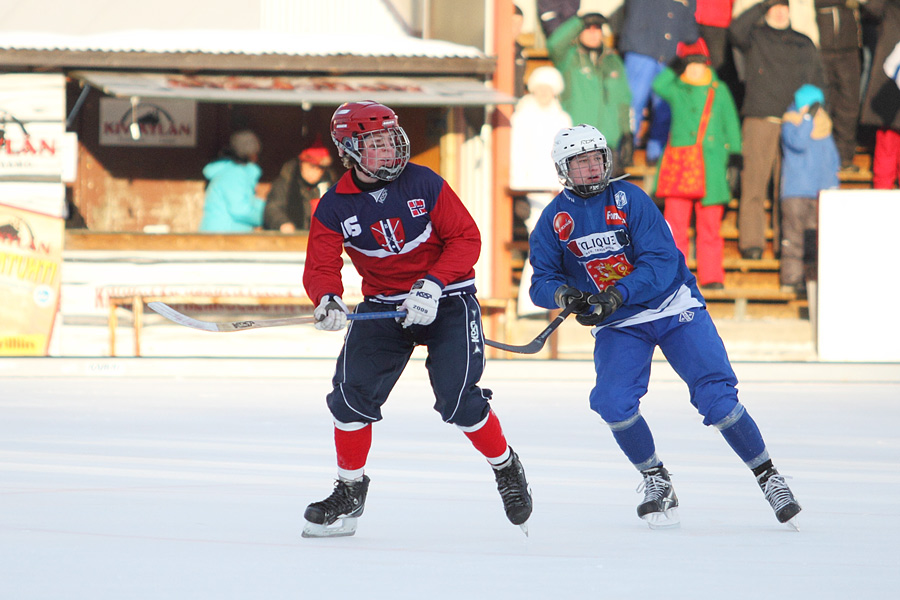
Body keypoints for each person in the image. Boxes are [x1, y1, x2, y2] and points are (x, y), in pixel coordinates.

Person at [527, 124, 802, 530]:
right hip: (621, 324)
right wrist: (567, 296)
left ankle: (769, 477)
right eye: (581, 162)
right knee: (611, 402)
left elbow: (660, 262)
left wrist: (616, 294)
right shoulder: (553, 219)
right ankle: (656, 479)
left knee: (717, 400)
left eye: (597, 159)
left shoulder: (631, 198)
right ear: (563, 170)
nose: (592, 168)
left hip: (673, 308)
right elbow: (541, 280)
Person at [299, 101, 533, 538]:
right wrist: (327, 298)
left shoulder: (424, 182)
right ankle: (349, 491)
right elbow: (322, 264)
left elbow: (466, 238)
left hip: (447, 298)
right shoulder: (333, 206)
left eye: (391, 140)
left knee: (458, 402)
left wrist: (434, 284)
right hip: (385, 306)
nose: (388, 150)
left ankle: (506, 467)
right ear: (350, 150)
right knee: (349, 399)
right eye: (375, 144)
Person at [729, 0, 825, 259]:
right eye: (775, 6)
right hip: (759, 119)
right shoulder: (755, 36)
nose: (780, 11)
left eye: (784, 5)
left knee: (788, 189)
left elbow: (818, 83)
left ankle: (787, 245)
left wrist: (809, 117)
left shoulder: (804, 42)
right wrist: (762, 5)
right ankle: (752, 244)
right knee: (753, 186)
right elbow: (735, 30)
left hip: (794, 125)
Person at [653, 38, 742, 289]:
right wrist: (675, 64)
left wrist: (735, 157)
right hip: (681, 165)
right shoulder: (676, 87)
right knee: (675, 225)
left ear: (707, 65)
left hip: (712, 165)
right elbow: (658, 84)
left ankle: (712, 275)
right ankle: (674, 275)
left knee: (710, 226)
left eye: (699, 63)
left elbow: (731, 124)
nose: (694, 68)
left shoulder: (719, 89)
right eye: (689, 64)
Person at [510, 65, 572, 315]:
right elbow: (515, 155)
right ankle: (532, 304)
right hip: (531, 192)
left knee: (556, 246)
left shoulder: (563, 119)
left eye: (549, 88)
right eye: (540, 88)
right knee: (541, 243)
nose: (544, 93)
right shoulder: (522, 117)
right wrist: (519, 191)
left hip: (558, 191)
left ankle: (547, 303)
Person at [547, 11, 633, 175]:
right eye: (588, 28)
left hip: (608, 143)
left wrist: (627, 133)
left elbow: (623, 99)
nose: (593, 34)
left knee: (608, 198)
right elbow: (554, 45)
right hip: (577, 142)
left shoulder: (613, 61)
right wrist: (578, 22)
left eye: (597, 28)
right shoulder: (568, 57)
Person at [619, 0, 700, 164]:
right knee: (633, 103)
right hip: (640, 51)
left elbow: (690, 35)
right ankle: (625, 150)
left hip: (667, 57)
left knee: (664, 107)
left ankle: (656, 155)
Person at [779, 84, 840, 297]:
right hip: (795, 193)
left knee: (817, 242)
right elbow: (798, 143)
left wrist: (833, 188)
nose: (816, 111)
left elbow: (832, 161)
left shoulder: (825, 128)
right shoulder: (792, 123)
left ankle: (814, 282)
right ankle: (792, 280)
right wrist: (806, 120)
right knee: (794, 240)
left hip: (820, 194)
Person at [815, 0, 863, 173]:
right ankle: (822, 155)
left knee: (849, 104)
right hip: (820, 45)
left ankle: (844, 157)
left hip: (849, 46)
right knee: (823, 103)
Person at [859, 0, 900, 189]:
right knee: (886, 154)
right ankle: (883, 211)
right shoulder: (889, 7)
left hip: (888, 99)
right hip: (889, 98)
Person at [199, 130, 265, 232]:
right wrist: (268, 217)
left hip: (221, 236)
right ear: (252, 154)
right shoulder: (235, 175)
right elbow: (240, 209)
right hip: (223, 239)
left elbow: (246, 201)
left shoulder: (228, 172)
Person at [264, 139, 335, 233]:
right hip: (290, 241)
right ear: (301, 163)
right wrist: (282, 223)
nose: (316, 172)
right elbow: (273, 208)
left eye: (321, 168)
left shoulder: (330, 184)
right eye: (312, 166)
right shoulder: (286, 181)